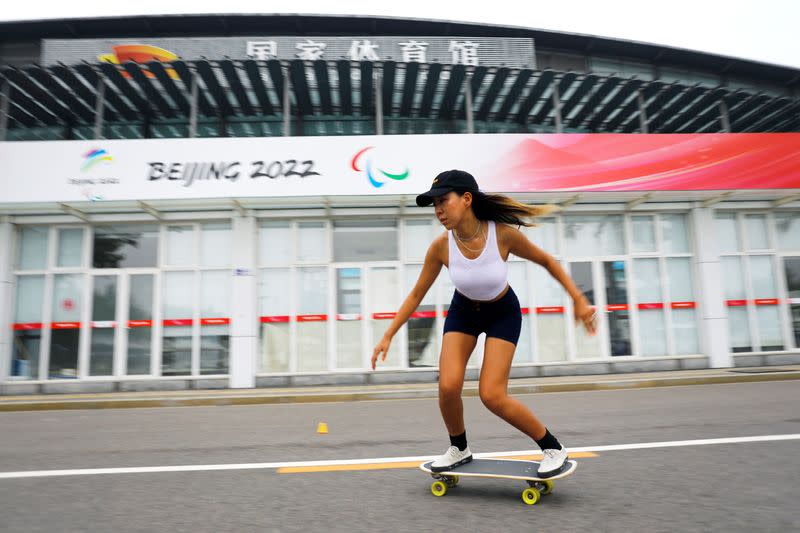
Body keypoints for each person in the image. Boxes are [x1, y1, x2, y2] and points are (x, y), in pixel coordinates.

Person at [371, 169, 597, 478]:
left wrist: (578, 299)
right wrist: (388, 335)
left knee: (492, 395)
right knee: (448, 386)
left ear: (466, 199)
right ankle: (459, 448)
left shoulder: (501, 234)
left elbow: (547, 261)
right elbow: (415, 295)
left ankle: (553, 448)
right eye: (434, 204)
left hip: (502, 312)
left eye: (443, 201)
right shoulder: (441, 247)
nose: (438, 210)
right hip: (463, 311)